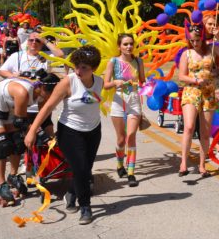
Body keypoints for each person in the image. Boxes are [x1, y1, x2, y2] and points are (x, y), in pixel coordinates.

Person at [24, 46, 104, 225]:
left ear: (94, 68)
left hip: (93, 130)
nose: (78, 70)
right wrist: (32, 131)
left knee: (84, 168)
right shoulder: (68, 82)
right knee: (81, 168)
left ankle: (72, 193)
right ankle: (85, 207)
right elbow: (47, 108)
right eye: (77, 66)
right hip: (70, 131)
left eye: (84, 67)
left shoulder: (99, 82)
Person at [0, 70, 59, 205]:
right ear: (43, 88)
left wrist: (49, 137)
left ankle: (13, 176)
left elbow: (43, 118)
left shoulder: (43, 93)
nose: (53, 97)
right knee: (3, 146)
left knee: (18, 143)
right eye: (52, 94)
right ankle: (1, 184)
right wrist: (36, 132)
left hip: (8, 108)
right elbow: (20, 122)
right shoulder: (23, 92)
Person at [177, 20, 219, 177]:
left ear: (202, 38)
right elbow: (181, 76)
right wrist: (195, 80)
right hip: (191, 91)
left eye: (198, 40)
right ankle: (184, 163)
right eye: (192, 40)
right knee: (188, 127)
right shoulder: (186, 54)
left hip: (209, 93)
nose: (195, 43)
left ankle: (202, 165)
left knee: (205, 132)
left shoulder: (212, 50)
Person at [103, 34, 146, 187]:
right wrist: (116, 81)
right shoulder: (113, 62)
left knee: (131, 135)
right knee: (121, 139)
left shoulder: (138, 61)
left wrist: (146, 86)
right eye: (125, 44)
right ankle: (120, 164)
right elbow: (105, 84)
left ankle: (131, 172)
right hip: (118, 101)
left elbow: (143, 81)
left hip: (133, 101)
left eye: (131, 44)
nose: (129, 47)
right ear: (119, 46)